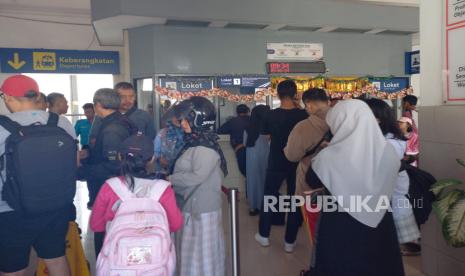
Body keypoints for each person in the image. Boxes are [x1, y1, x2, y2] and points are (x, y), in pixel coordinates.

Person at [307, 100, 404, 275]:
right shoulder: (388, 151)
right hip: (381, 221)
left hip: (339, 225)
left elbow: (312, 180)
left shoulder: (328, 156)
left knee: (340, 265)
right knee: (380, 265)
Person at [0, 75, 76, 276]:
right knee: (57, 259)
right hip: (56, 204)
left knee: (14, 268)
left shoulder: (2, 126)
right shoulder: (60, 122)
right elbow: (74, 161)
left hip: (11, 209)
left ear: (7, 97)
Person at [89, 133, 183, 254]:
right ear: (152, 158)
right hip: (155, 260)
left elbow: (96, 225)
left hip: (118, 258)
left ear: (119, 156)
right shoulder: (163, 189)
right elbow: (175, 224)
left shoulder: (110, 187)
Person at [169, 96, 227, 276]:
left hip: (200, 209)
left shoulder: (204, 147)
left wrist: (168, 179)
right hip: (193, 206)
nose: (182, 123)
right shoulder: (197, 141)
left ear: (198, 120)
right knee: (193, 253)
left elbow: (197, 176)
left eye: (186, 119)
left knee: (201, 256)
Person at [256, 80, 308, 253]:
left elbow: (266, 137)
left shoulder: (270, 115)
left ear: (277, 94)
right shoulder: (303, 115)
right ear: (294, 94)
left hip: (276, 160)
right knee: (294, 199)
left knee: (269, 196)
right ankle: (289, 242)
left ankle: (264, 235)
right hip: (296, 161)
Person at [366, 99, 421, 257]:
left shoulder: (391, 140)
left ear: (377, 118)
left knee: (396, 226)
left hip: (391, 193)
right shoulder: (382, 137)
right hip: (385, 194)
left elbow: (385, 167)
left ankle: (406, 245)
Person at [284, 88, 330, 200]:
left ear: (309, 105)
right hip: (339, 184)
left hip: (310, 184)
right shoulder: (343, 121)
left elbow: (292, 156)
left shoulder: (303, 127)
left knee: (309, 216)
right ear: (327, 102)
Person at [90, 82, 156, 143]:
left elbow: (151, 140)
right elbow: (93, 139)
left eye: (131, 96)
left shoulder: (144, 116)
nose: (128, 100)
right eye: (122, 96)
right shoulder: (103, 115)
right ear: (115, 97)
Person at [244, 105, 270, 216]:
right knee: (264, 179)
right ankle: (263, 206)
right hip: (265, 155)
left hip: (251, 156)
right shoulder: (268, 128)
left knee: (252, 180)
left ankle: (253, 207)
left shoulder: (248, 128)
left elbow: (245, 143)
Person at [218, 104, 250, 177]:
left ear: (237, 112)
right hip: (254, 150)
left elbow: (220, 131)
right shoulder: (253, 120)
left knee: (244, 173)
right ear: (247, 111)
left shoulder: (232, 121)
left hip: (240, 150)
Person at [154, 105, 185, 179]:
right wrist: (159, 159)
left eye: (181, 116)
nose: (178, 118)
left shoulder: (189, 134)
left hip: (183, 175)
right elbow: (155, 152)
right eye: (175, 116)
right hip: (164, 173)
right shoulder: (162, 133)